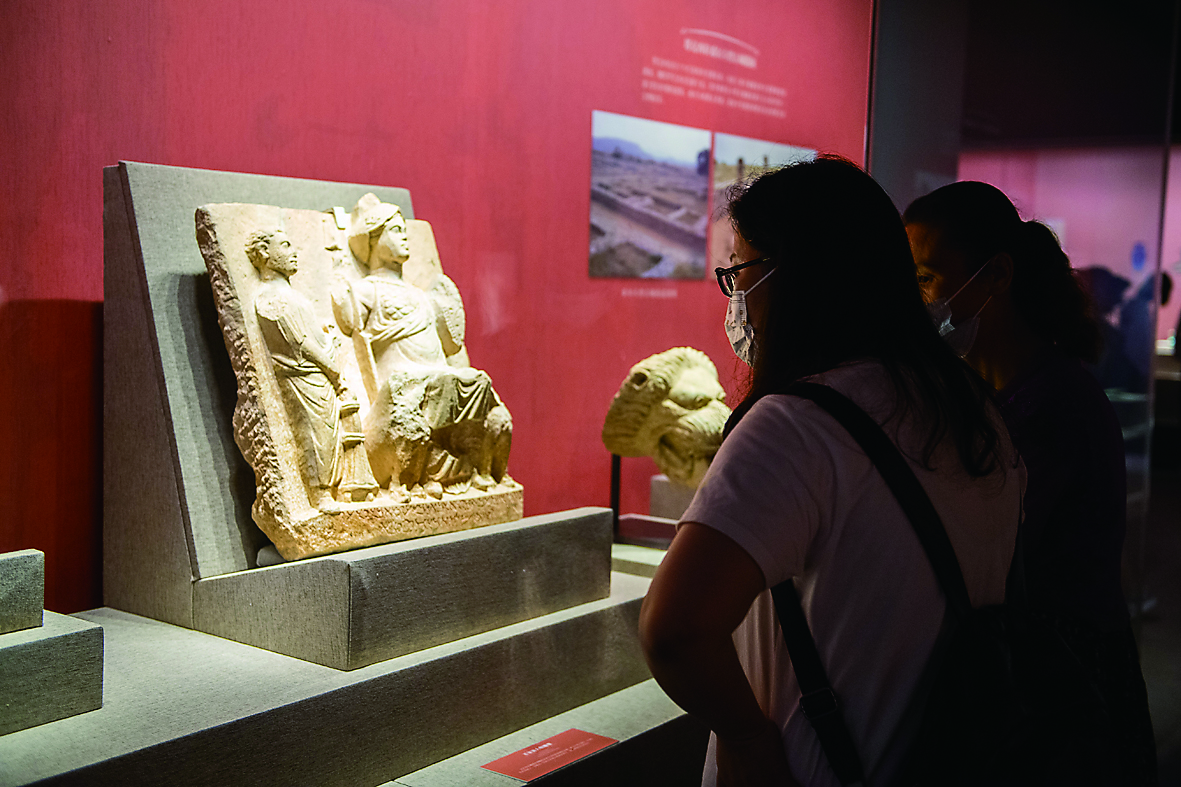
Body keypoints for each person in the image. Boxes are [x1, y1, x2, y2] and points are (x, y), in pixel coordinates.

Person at [639, 157, 1024, 787]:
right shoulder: (976, 412)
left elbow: (675, 630)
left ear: (797, 277)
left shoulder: (795, 426)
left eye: (740, 271)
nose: (736, 298)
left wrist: (746, 736)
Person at [903, 180, 1156, 784]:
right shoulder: (994, 392)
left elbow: (988, 550)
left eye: (927, 278)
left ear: (995, 276)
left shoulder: (1052, 404)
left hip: (1054, 684)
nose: (916, 300)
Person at [246, 228, 350, 511]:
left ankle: (330, 489)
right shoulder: (270, 297)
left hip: (318, 375)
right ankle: (319, 493)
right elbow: (300, 343)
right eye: (285, 245)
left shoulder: (291, 295)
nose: (294, 252)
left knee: (329, 433)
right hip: (304, 376)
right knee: (315, 434)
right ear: (264, 253)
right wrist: (332, 369)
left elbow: (309, 334)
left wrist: (327, 338)